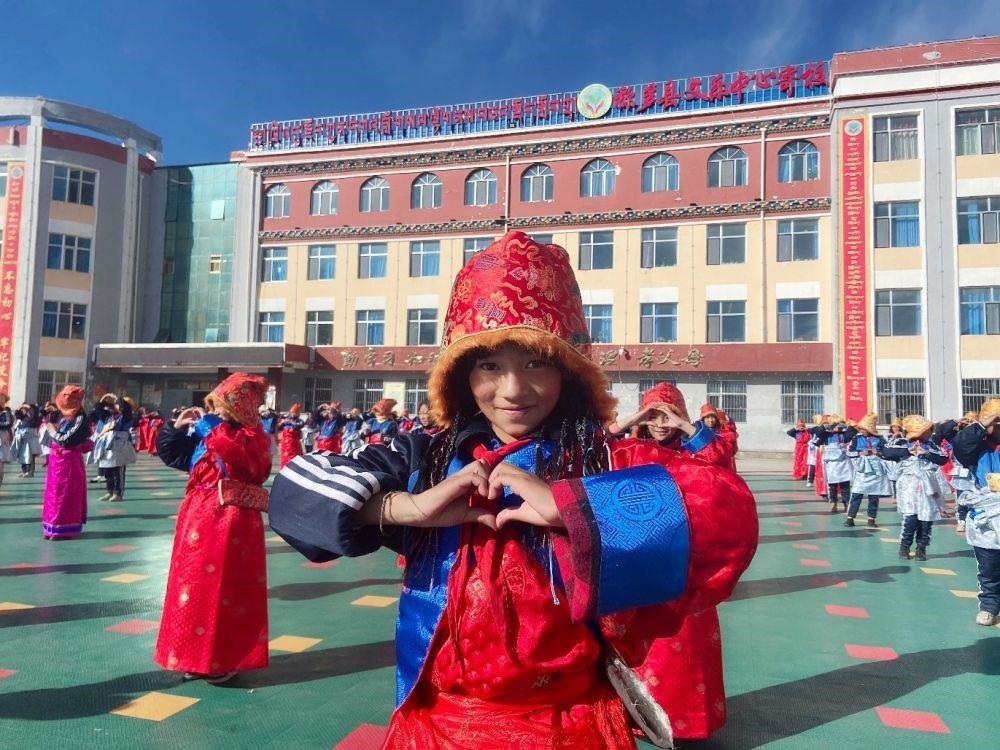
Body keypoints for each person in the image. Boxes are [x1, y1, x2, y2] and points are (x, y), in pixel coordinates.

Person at [268, 231, 758, 748]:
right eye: (489, 365)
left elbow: (728, 516)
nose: (513, 391)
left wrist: (574, 506)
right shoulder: (427, 459)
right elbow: (293, 496)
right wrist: (404, 507)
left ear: (568, 371)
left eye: (535, 363)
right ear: (462, 373)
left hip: (571, 727)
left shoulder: (605, 459)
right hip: (435, 727)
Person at [611, 382, 745, 740]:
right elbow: (596, 443)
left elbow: (723, 456)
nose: (660, 424)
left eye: (667, 416)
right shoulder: (631, 450)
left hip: (686, 565)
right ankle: (640, 717)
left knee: (685, 643)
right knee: (639, 642)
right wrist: (636, 417)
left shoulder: (695, 452)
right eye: (653, 416)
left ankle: (687, 720)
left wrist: (686, 426)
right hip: (642, 563)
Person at [154, 373, 272, 683]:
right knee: (191, 587)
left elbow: (244, 459)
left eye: (221, 407)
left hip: (230, 523)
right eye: (213, 406)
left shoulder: (253, 437)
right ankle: (192, 656)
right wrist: (175, 428)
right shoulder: (209, 433)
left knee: (225, 590)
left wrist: (209, 426)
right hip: (196, 517)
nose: (215, 412)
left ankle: (224, 659)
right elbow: (173, 455)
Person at [952, 398, 1000, 625]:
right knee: (989, 566)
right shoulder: (975, 449)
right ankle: (989, 607)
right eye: (995, 423)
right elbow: (960, 445)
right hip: (986, 516)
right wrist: (983, 425)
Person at [883, 414, 948, 561]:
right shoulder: (901, 442)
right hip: (909, 484)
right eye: (926, 430)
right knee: (910, 517)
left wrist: (927, 454)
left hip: (927, 485)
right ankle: (904, 547)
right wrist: (908, 451)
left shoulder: (931, 445)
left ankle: (921, 548)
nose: (929, 433)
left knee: (926, 518)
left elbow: (944, 458)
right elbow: (886, 452)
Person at [40, 386, 93, 539]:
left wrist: (51, 429)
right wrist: (50, 419)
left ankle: (64, 529)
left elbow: (66, 440)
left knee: (66, 494)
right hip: (56, 462)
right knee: (53, 494)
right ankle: (51, 527)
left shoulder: (80, 419)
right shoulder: (64, 417)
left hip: (69, 462)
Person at [843, 412, 890, 527]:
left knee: (874, 495)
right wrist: (860, 453)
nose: (862, 431)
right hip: (862, 470)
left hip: (876, 470)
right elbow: (848, 452)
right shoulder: (856, 438)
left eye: (864, 429)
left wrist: (877, 452)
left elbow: (887, 452)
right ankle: (850, 518)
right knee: (856, 493)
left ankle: (871, 519)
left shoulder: (880, 439)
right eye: (861, 429)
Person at [92, 394, 137, 501]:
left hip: (119, 446)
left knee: (118, 471)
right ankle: (110, 491)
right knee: (107, 471)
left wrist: (117, 399)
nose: (112, 406)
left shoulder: (126, 417)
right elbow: (98, 409)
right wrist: (103, 399)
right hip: (107, 447)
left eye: (116, 404)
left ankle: (118, 493)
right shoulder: (108, 417)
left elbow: (126, 409)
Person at [811, 415, 853, 513]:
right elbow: (816, 435)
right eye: (836, 425)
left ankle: (846, 503)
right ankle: (834, 504)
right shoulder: (826, 435)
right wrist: (826, 426)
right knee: (832, 485)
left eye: (840, 424)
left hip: (843, 463)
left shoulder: (844, 435)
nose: (839, 427)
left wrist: (848, 425)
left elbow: (853, 432)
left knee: (845, 484)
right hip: (831, 464)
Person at [12, 403, 42, 477]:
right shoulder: (23, 417)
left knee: (29, 456)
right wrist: (20, 407)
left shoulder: (36, 419)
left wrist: (30, 409)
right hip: (23, 439)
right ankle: (24, 471)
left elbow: (34, 423)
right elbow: (17, 414)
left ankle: (30, 472)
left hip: (31, 440)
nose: (28, 411)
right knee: (22, 455)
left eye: (30, 410)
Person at [278, 403, 304, 468]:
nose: (292, 414)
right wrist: (283, 421)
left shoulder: (299, 421)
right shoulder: (285, 421)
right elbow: (279, 427)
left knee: (294, 459)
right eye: (291, 412)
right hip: (286, 444)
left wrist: (288, 422)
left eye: (294, 412)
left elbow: (300, 425)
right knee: (285, 459)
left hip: (294, 444)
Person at [0, 393, 14, 487]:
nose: (1, 400)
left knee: (1, 461)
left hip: (2, 436)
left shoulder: (6, 413)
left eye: (2, 398)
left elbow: (8, 424)